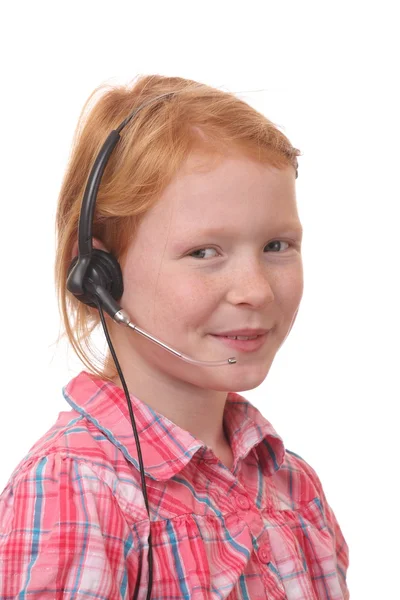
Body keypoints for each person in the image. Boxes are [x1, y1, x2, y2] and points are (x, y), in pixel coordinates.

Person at [0, 75, 350, 599]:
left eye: (277, 245)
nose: (255, 290)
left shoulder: (293, 485)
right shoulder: (76, 490)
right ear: (100, 275)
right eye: (204, 253)